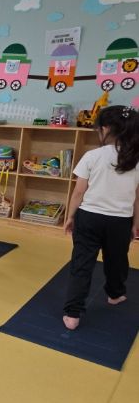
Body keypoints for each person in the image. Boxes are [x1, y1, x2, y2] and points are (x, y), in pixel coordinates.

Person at [63, 105, 139, 330]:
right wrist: (135, 223)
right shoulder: (135, 159)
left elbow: (79, 192)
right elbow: (137, 196)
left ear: (105, 129)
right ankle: (115, 295)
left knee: (82, 263)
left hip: (89, 218)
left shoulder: (92, 156)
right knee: (117, 260)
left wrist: (70, 216)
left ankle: (72, 315)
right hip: (121, 221)